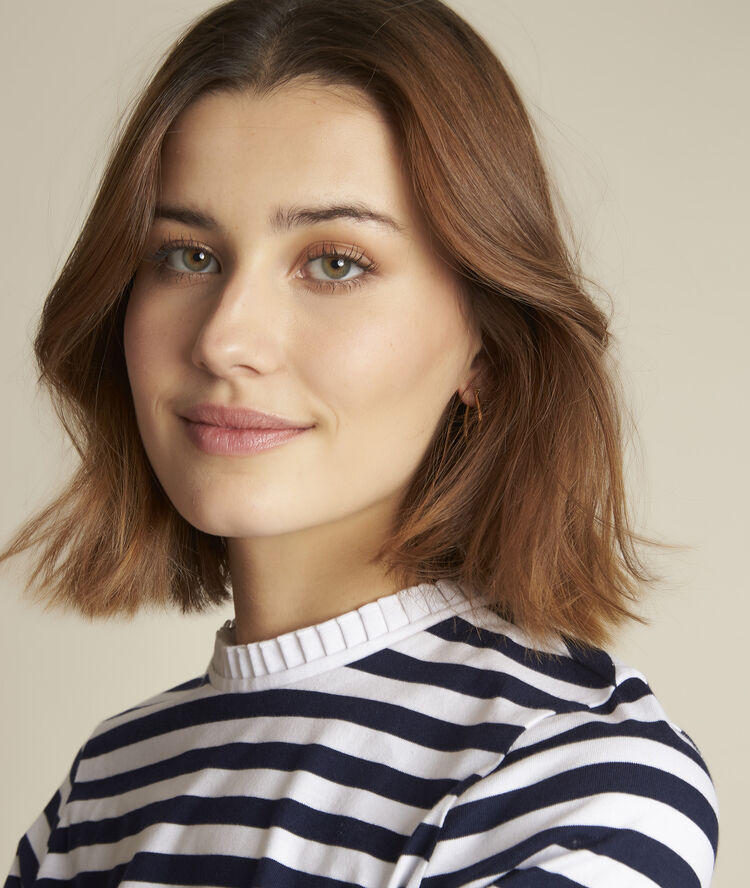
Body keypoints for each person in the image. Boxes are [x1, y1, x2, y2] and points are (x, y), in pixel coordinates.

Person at [2, 0, 718, 885]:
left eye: (334, 262)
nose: (226, 339)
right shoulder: (104, 788)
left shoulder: (579, 780)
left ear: (485, 347)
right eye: (189, 256)